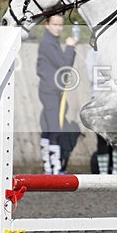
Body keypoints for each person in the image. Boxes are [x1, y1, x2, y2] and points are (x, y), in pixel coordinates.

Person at [37, 15, 79, 174]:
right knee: (54, 127)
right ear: (47, 25)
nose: (59, 28)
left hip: (52, 89)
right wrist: (70, 47)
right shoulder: (47, 43)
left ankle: (49, 166)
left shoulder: (52, 42)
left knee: (49, 126)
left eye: (61, 25)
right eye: (55, 24)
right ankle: (54, 168)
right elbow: (64, 65)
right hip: (49, 90)